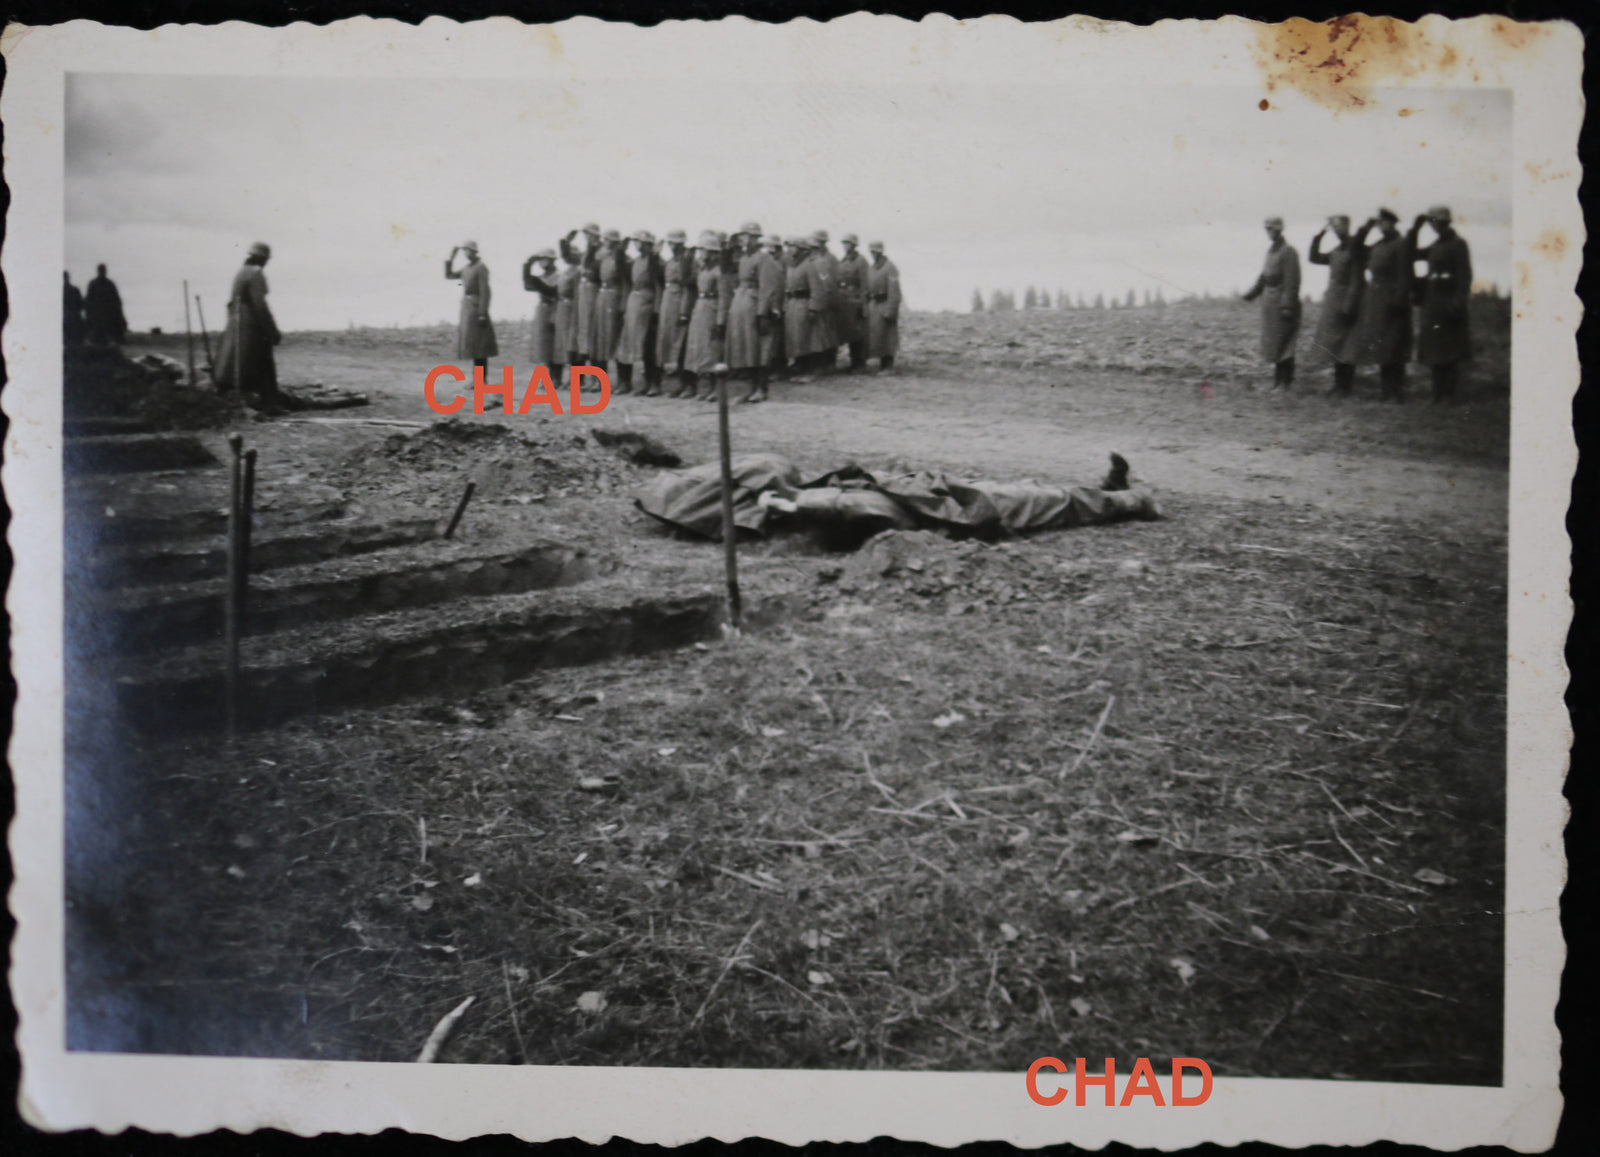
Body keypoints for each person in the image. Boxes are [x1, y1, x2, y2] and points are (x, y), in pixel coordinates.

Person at [1408, 204, 1472, 403]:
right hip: (1432, 301)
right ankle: (1438, 393)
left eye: (1438, 222)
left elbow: (1464, 276)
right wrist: (1415, 229)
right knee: (1435, 350)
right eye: (1433, 223)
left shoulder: (1458, 244)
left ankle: (1450, 394)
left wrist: (1458, 302)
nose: (1437, 226)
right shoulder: (1435, 245)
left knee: (1450, 350)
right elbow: (1410, 253)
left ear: (1446, 223)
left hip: (1448, 300)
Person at [213, 241, 287, 411]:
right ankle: (270, 403)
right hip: (251, 326)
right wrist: (272, 331)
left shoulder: (241, 272)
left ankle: (252, 398)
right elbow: (260, 306)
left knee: (237, 364)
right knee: (264, 363)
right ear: (263, 259)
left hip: (236, 325)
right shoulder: (256, 274)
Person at [1350, 208, 1413, 401]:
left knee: (1395, 347)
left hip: (1393, 300)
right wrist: (1365, 228)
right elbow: (1355, 249)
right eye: (1378, 223)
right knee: (1383, 348)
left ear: (1392, 223)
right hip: (1377, 300)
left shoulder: (1400, 244)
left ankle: (1397, 392)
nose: (1380, 226)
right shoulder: (1379, 244)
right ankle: (1387, 391)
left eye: (1383, 222)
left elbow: (1405, 275)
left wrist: (1398, 300)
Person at [1241, 216, 1302, 389]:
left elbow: (1292, 281)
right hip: (1270, 304)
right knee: (1275, 344)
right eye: (1266, 229)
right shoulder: (1271, 251)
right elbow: (1264, 276)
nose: (1268, 232)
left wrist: (1287, 306)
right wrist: (1251, 294)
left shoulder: (1288, 251)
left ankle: (1285, 382)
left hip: (1282, 304)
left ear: (1279, 230)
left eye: (1271, 229)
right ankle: (1278, 382)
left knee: (1285, 344)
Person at [1307, 216, 1364, 396]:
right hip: (1334, 301)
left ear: (1347, 226)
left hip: (1347, 302)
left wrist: (1349, 305)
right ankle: (1339, 385)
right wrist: (1320, 235)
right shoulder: (1336, 251)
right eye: (1334, 228)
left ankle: (1346, 387)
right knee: (1335, 345)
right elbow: (1314, 257)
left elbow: (1356, 279)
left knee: (1347, 345)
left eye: (1339, 226)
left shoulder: (1354, 249)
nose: (1337, 230)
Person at [681, 231, 729, 401]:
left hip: (712, 308)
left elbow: (724, 297)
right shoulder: (701, 269)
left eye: (705, 251)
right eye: (701, 251)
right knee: (698, 348)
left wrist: (721, 320)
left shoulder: (719, 272)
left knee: (712, 349)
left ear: (714, 253)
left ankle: (715, 389)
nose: (702, 254)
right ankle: (702, 387)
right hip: (700, 308)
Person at [618, 230, 663, 395]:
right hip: (633, 304)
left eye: (639, 242)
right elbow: (626, 280)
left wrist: (657, 310)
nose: (636, 245)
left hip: (647, 304)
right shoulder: (635, 262)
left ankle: (652, 383)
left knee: (647, 344)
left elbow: (658, 285)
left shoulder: (656, 263)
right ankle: (627, 382)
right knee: (627, 342)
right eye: (635, 241)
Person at [445, 241, 497, 372]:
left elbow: (485, 291)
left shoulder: (481, 267)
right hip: (467, 309)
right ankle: (477, 379)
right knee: (473, 345)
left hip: (476, 308)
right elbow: (449, 275)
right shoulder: (467, 268)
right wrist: (450, 259)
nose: (466, 253)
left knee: (480, 346)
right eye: (464, 251)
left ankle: (481, 380)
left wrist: (482, 313)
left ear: (474, 252)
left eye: (468, 250)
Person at [657, 229, 696, 397]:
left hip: (681, 301)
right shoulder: (671, 261)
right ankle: (680, 383)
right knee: (671, 345)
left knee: (683, 345)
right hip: (669, 302)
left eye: (674, 243)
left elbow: (689, 286)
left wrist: (684, 310)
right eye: (670, 243)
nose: (672, 246)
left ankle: (689, 384)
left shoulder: (689, 261)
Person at [561, 223, 602, 366]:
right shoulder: (586, 252)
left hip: (593, 292)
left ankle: (596, 377)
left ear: (596, 235)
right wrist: (566, 242)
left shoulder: (600, 250)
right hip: (582, 294)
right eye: (586, 234)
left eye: (590, 234)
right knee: (580, 334)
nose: (587, 237)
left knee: (593, 332)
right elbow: (568, 257)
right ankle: (580, 378)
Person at [522, 248, 561, 384]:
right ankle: (550, 376)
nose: (541, 263)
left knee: (554, 342)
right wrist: (527, 266)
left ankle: (556, 376)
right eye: (539, 260)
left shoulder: (557, 275)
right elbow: (527, 285)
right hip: (543, 308)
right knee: (544, 343)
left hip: (554, 307)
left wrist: (535, 281)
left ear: (551, 260)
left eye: (543, 259)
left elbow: (551, 291)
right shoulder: (543, 276)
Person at [595, 228, 628, 390]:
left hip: (615, 297)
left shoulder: (622, 259)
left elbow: (625, 282)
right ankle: (601, 379)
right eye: (605, 240)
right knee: (601, 339)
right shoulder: (602, 257)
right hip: (603, 298)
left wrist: (622, 304)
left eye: (609, 240)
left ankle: (623, 380)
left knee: (616, 340)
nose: (606, 243)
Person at [864, 240, 901, 372]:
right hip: (874, 304)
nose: (873, 254)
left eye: (875, 251)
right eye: (872, 251)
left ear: (881, 251)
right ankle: (879, 362)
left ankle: (888, 365)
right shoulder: (872, 268)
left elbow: (894, 292)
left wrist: (891, 310)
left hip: (885, 304)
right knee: (876, 335)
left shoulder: (890, 268)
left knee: (888, 336)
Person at [834, 233, 869, 371]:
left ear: (854, 245)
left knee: (858, 334)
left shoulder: (861, 261)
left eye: (848, 243)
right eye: (844, 243)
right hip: (845, 302)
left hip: (856, 300)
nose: (845, 246)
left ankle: (859, 362)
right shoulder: (843, 261)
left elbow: (865, 284)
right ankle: (853, 362)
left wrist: (863, 304)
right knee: (848, 332)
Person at [810, 229, 842, 369]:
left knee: (830, 330)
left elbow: (834, 280)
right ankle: (821, 360)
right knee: (819, 331)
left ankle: (830, 360)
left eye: (819, 243)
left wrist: (830, 297)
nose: (817, 246)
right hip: (818, 296)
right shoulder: (812, 259)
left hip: (830, 298)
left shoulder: (831, 259)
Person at [783, 237, 814, 378]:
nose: (790, 249)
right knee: (793, 336)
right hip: (792, 302)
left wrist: (813, 308)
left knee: (803, 336)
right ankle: (797, 364)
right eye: (789, 246)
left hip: (803, 301)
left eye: (793, 246)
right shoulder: (791, 265)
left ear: (802, 249)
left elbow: (816, 289)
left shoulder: (809, 265)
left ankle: (807, 368)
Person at [555, 241, 584, 376]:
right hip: (563, 309)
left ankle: (578, 378)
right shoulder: (566, 271)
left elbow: (578, 293)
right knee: (565, 342)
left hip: (573, 308)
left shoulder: (578, 271)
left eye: (573, 254)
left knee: (573, 344)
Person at [83, 263, 128, 346]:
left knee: (108, 340)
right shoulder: (93, 284)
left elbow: (117, 301)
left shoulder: (110, 284)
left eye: (103, 270)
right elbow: (88, 300)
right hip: (97, 317)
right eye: (101, 270)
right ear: (98, 271)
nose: (102, 272)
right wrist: (88, 315)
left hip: (108, 317)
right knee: (97, 340)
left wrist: (119, 316)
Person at [62, 272, 85, 349]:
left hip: (70, 320)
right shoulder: (75, 290)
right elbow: (81, 305)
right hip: (74, 320)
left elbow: (81, 305)